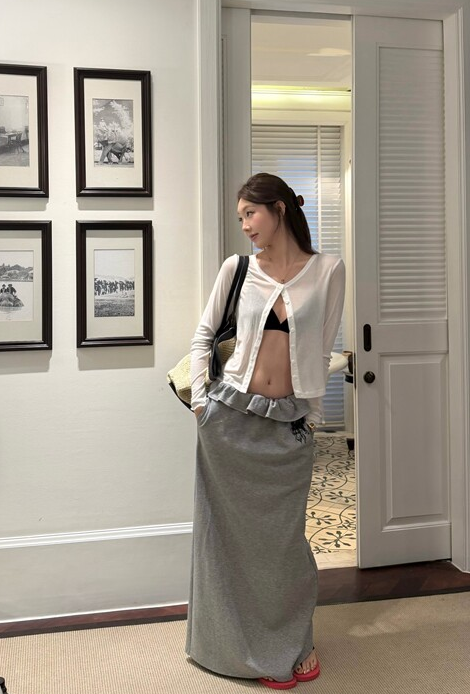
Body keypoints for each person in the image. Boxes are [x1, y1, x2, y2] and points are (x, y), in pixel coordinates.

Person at [185, 172, 346, 690]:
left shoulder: (328, 270)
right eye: (240, 218)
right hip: (229, 419)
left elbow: (321, 350)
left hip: (287, 425)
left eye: (250, 214)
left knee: (284, 546)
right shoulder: (237, 269)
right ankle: (229, 649)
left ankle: (295, 643)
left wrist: (311, 419)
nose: (245, 226)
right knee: (225, 541)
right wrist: (201, 403)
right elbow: (204, 335)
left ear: (278, 209)